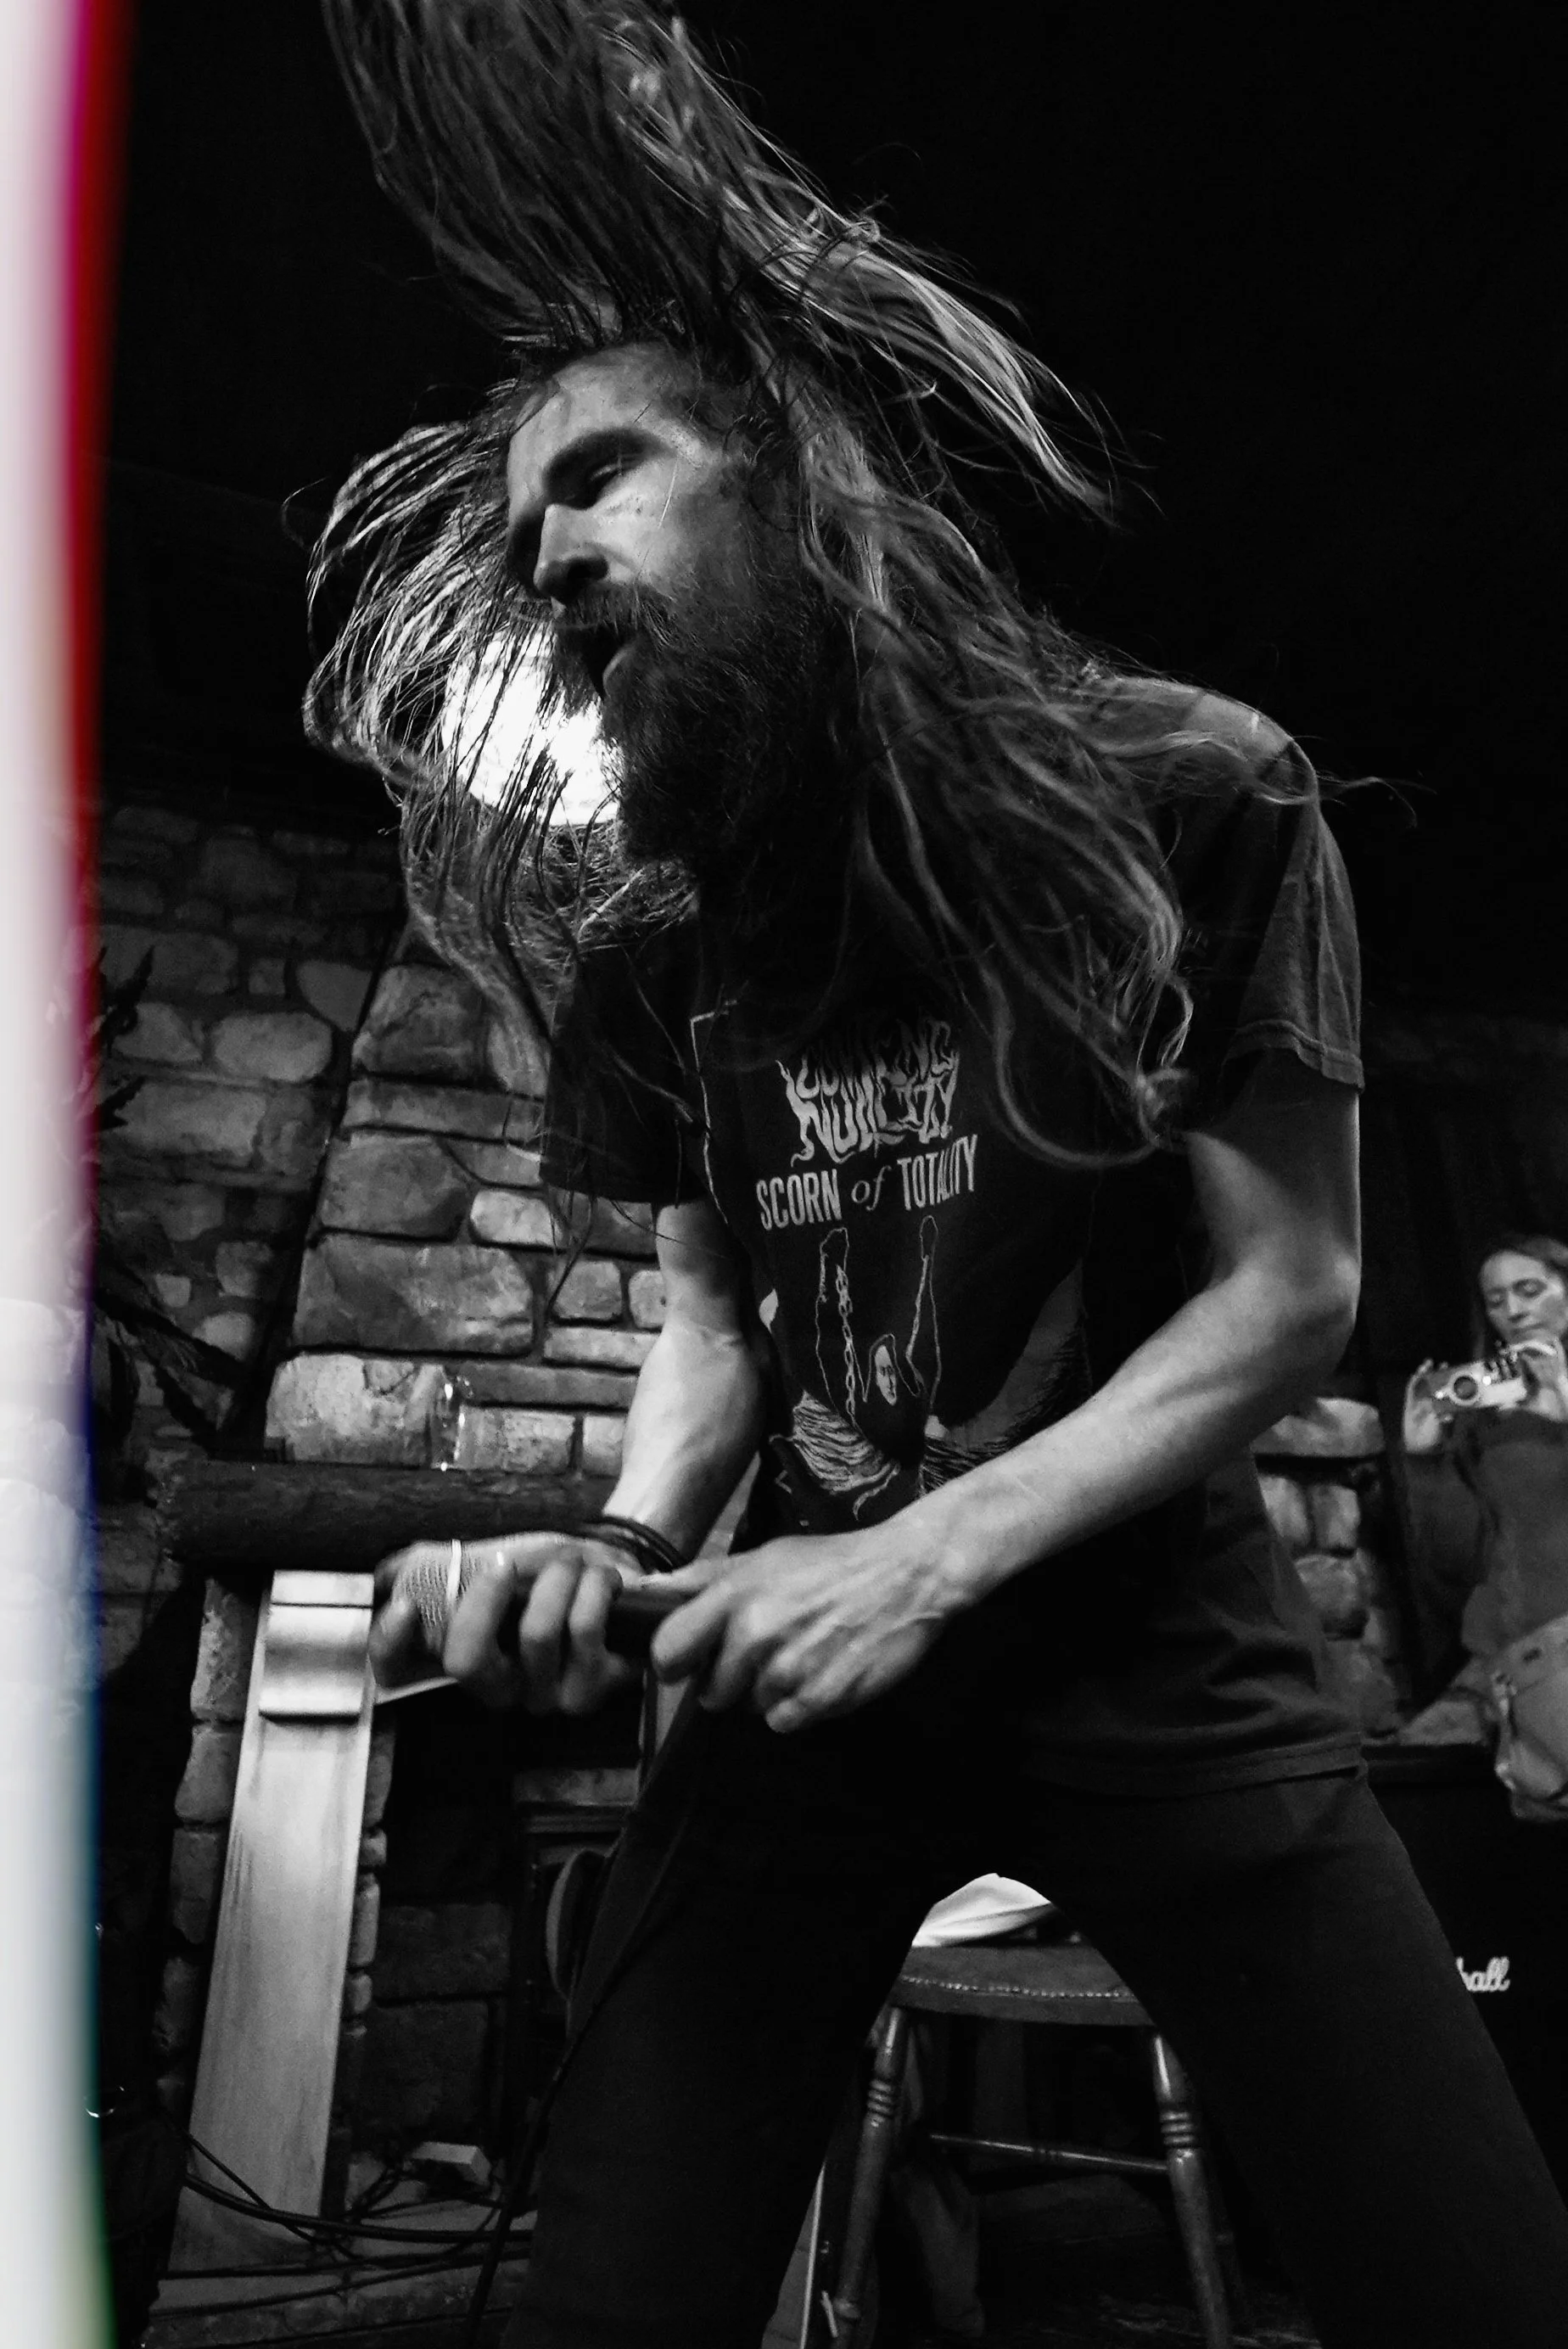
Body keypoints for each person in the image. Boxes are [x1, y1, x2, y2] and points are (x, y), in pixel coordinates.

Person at [311, 6, 1568, 2341]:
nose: (547, 549)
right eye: (521, 522)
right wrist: (626, 1547)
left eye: (602, 473)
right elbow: (717, 1320)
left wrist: (927, 1554)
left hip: (1153, 1655)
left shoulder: (1191, 787)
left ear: (796, 480)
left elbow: (1293, 1290)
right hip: (806, 1689)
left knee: (1468, 2274)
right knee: (617, 2293)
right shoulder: (661, 942)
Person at [1401, 1236, 1568, 1752]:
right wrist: (1425, 1460)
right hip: (1531, 1651)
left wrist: (1562, 1400)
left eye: (1530, 1290)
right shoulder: (1486, 1420)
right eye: (1496, 1301)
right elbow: (1456, 1560)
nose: (1513, 1311)